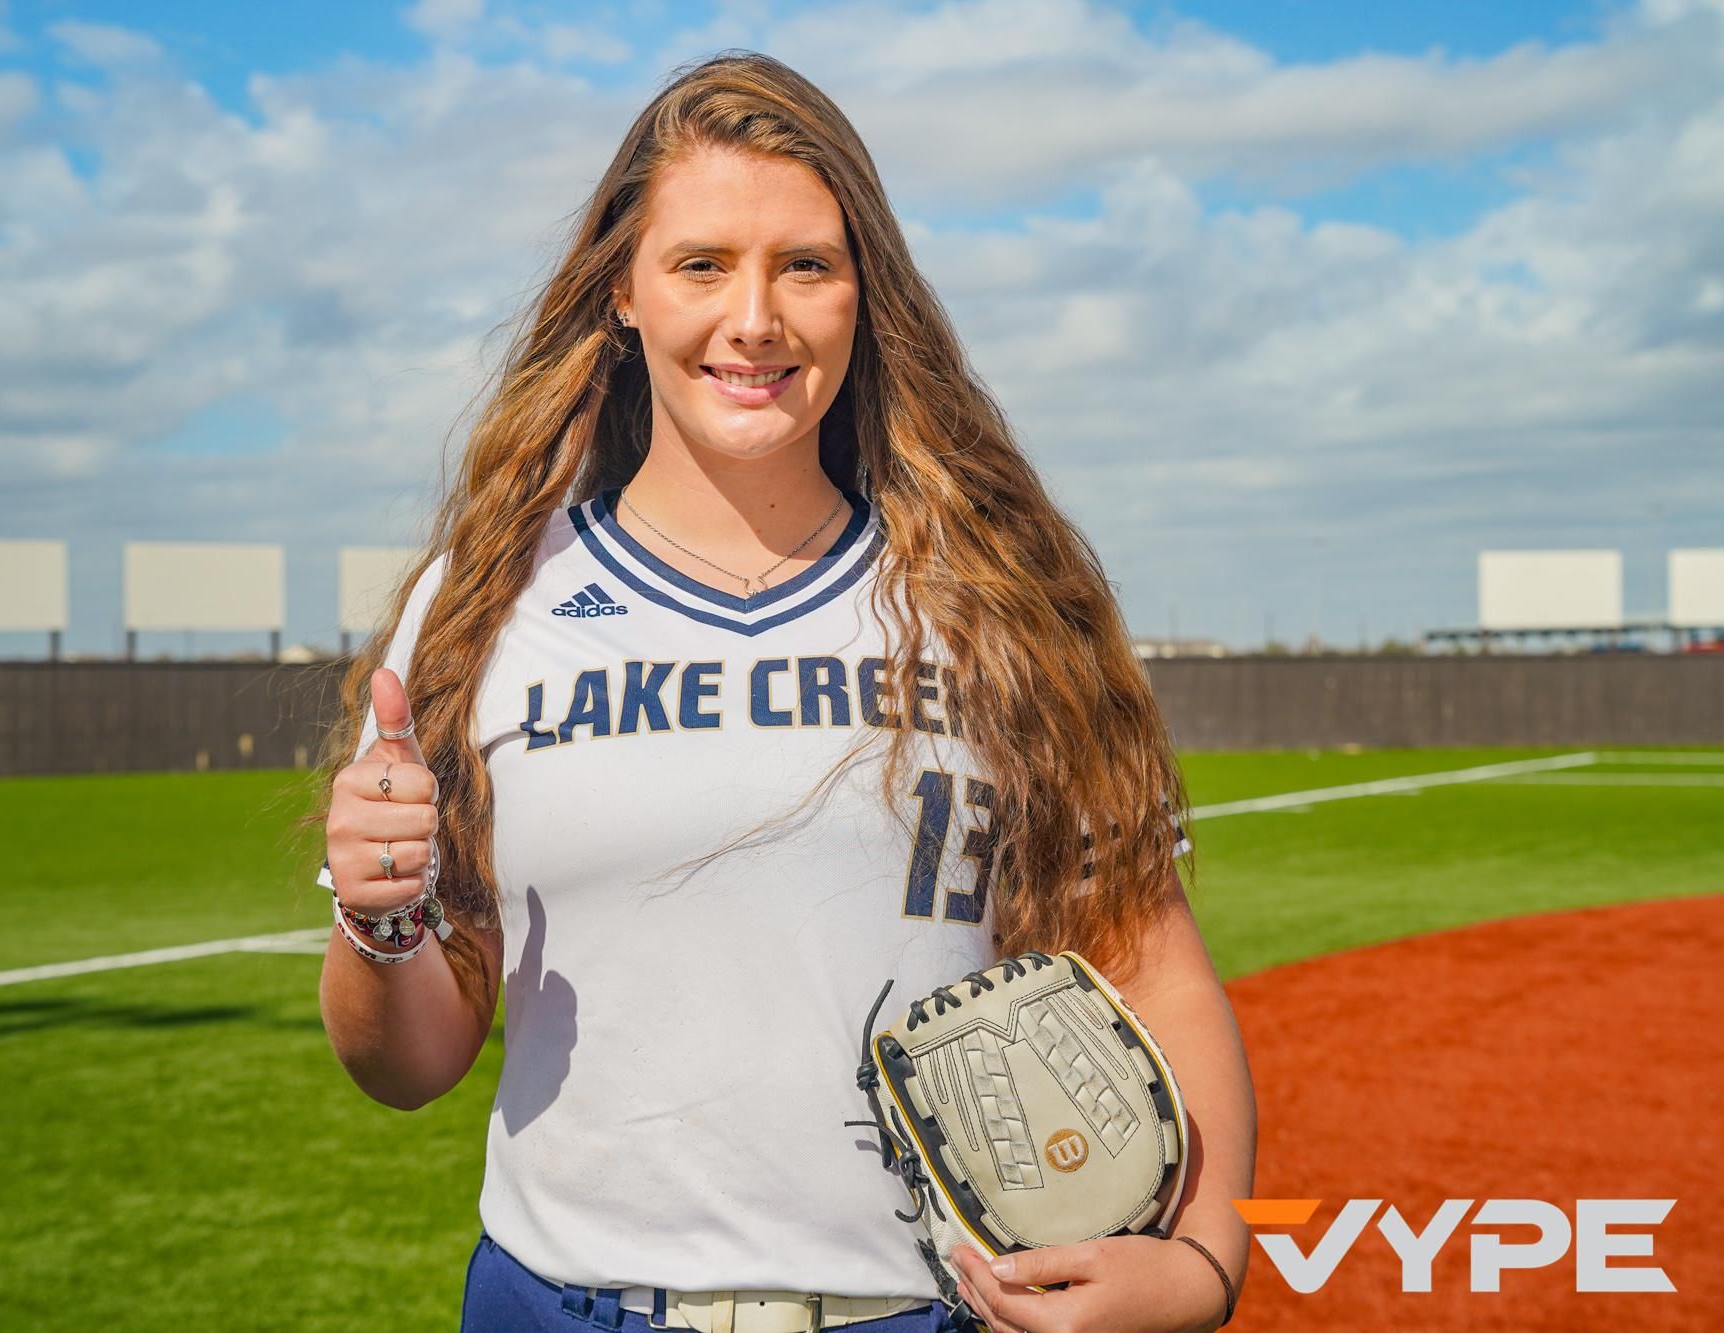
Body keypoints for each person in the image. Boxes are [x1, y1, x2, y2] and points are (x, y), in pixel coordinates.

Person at [311, 50, 1255, 1333]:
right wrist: (379, 919)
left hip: (929, 1311)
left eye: (803, 265)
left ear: (864, 296)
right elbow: (410, 1063)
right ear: (623, 299)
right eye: (701, 265)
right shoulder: (485, 606)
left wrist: (1201, 1260)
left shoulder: (990, 594)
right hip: (566, 1305)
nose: (752, 318)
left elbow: (1147, 959)